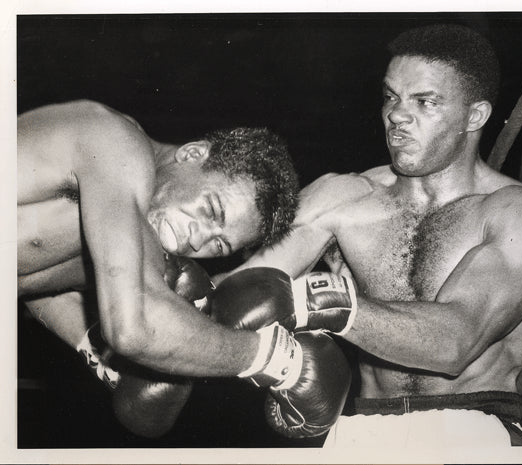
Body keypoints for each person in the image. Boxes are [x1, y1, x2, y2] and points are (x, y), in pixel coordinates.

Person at [220, 24, 522, 447]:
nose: (397, 115)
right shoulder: (343, 197)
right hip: (362, 430)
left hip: (473, 427)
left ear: (474, 116)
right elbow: (242, 291)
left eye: (425, 101)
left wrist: (320, 303)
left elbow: (455, 342)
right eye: (391, 97)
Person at [17, 99, 326, 437]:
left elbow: (35, 281)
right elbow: (134, 329)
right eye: (211, 209)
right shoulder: (116, 143)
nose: (197, 241)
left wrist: (97, 352)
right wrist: (279, 360)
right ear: (192, 154)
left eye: (218, 245)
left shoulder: (118, 226)